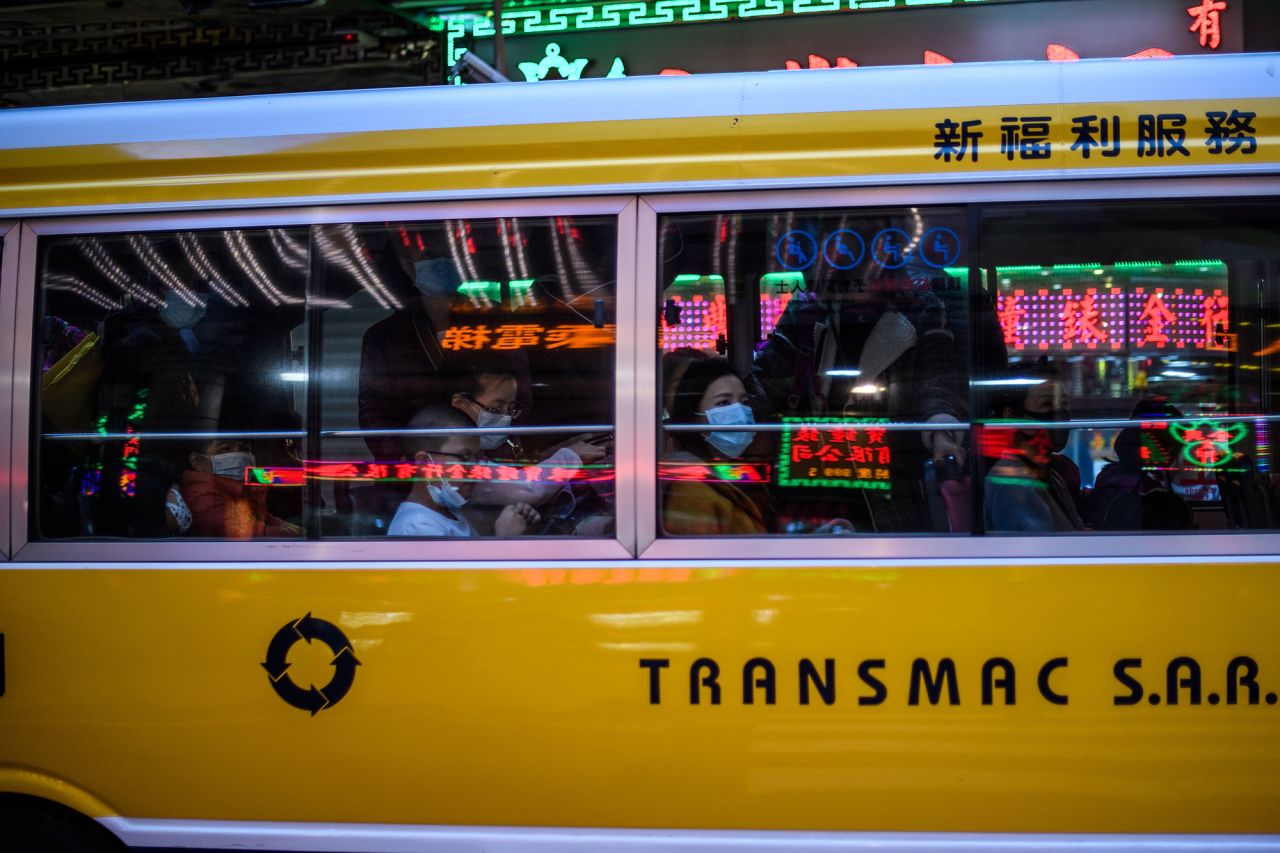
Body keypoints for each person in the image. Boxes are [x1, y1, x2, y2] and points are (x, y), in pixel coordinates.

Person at [445, 358, 610, 534]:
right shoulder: (454, 460)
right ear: (460, 404)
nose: (505, 418)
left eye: (511, 410)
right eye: (496, 409)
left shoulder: (481, 454)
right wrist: (570, 455)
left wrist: (556, 452)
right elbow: (530, 487)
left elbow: (514, 475)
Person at [387, 405, 540, 537]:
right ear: (425, 463)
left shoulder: (449, 514)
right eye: (465, 458)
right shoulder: (417, 527)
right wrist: (505, 541)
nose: (475, 469)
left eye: (477, 459)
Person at [662, 358, 770, 535]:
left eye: (745, 402)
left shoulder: (733, 471)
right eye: (723, 403)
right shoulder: (690, 490)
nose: (739, 413)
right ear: (694, 417)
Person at [982, 373, 1084, 533]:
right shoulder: (1011, 483)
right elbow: (1036, 550)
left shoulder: (1050, 474)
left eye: (1063, 406)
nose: (1059, 416)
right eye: (1047, 405)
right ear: (1013, 417)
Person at [179, 437, 301, 539]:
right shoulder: (202, 497)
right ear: (197, 461)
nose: (238, 455)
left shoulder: (237, 490)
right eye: (225, 449)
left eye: (244, 449)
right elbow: (259, 536)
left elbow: (267, 520)